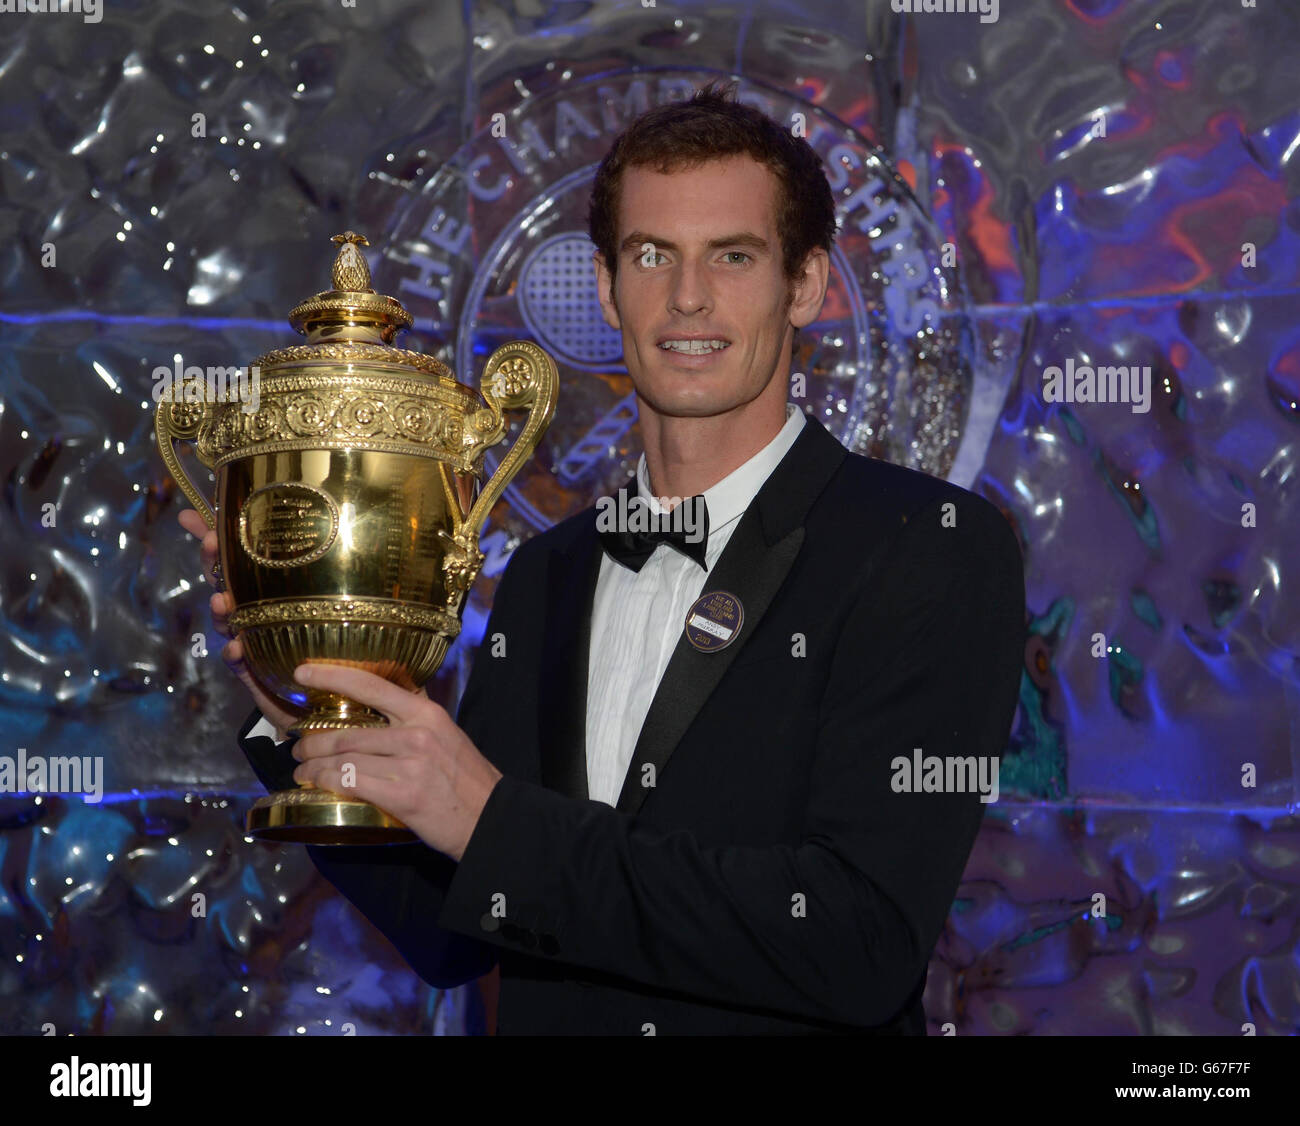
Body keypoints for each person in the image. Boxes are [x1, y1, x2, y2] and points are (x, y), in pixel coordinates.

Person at [179, 80, 1025, 1035]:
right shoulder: (549, 577)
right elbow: (456, 935)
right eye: (651, 254)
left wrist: (494, 822)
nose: (688, 296)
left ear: (808, 285)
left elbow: (858, 941)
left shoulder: (931, 550)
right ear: (603, 287)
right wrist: (299, 714)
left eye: (734, 257)